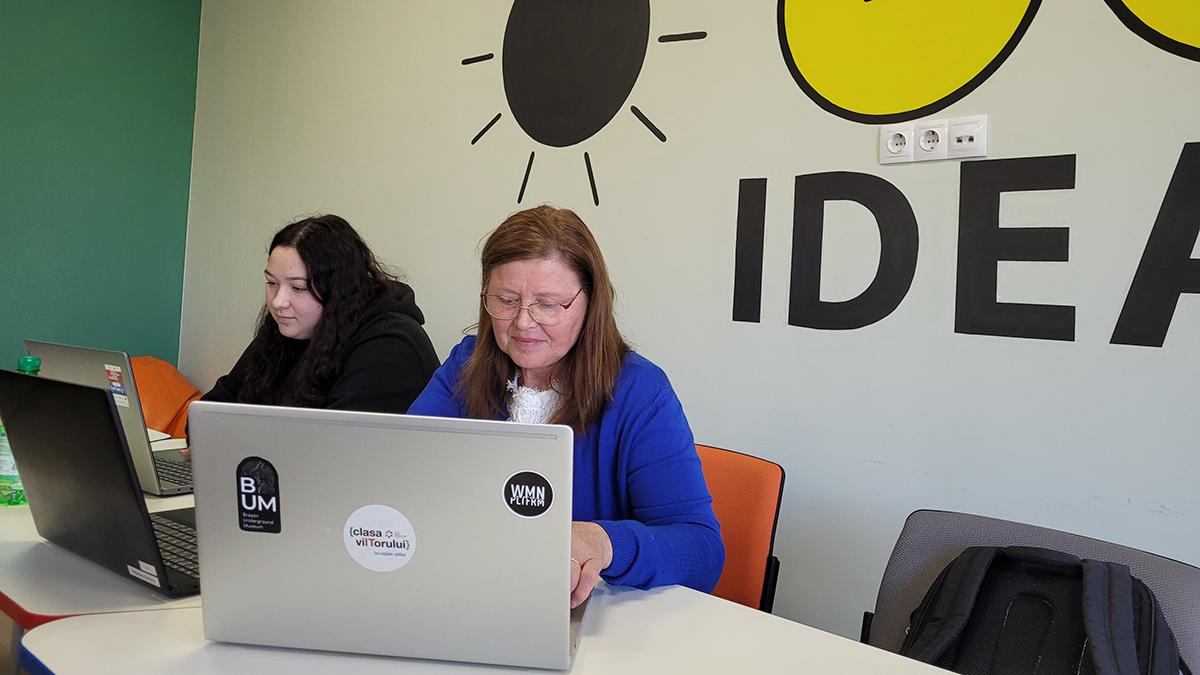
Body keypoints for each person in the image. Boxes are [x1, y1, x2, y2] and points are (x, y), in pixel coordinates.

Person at [408, 205, 724, 608]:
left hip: (588, 616)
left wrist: (604, 541)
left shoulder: (640, 390)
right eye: (505, 300)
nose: (522, 322)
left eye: (548, 304)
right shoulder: (465, 363)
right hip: (467, 595)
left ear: (590, 303)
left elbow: (702, 551)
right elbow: (405, 473)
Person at [202, 214, 439, 414]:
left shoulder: (391, 344)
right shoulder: (289, 327)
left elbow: (329, 447)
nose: (278, 302)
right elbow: (210, 412)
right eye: (271, 283)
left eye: (298, 288)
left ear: (339, 291)